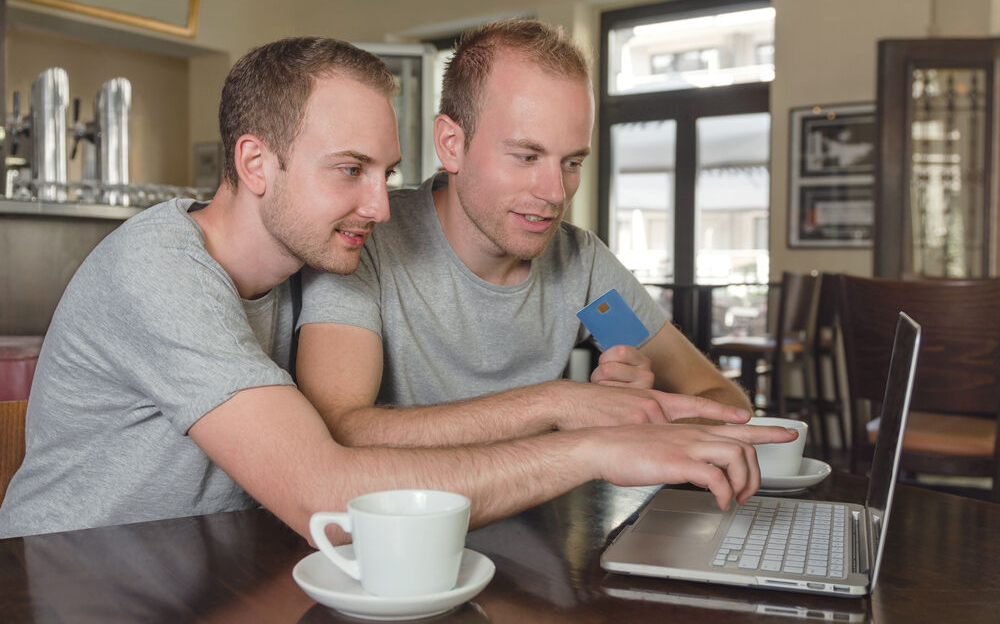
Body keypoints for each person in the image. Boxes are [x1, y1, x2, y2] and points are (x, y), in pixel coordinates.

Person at [0, 36, 794, 541]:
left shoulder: (576, 271)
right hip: (67, 585)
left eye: (383, 174)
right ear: (253, 165)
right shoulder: (165, 274)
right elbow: (332, 477)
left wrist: (630, 375)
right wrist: (576, 424)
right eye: (350, 172)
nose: (381, 207)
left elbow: (662, 364)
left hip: (229, 571)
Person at [295, 19, 751, 448]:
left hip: (544, 524)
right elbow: (340, 430)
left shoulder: (582, 269)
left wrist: (642, 411)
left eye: (572, 163)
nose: (555, 193)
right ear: (451, 145)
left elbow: (719, 397)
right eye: (526, 157)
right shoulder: (364, 241)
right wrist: (557, 406)